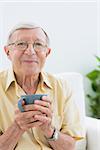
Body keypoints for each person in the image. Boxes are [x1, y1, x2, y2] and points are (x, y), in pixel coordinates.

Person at [0, 23, 85, 150]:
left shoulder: (62, 87)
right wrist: (17, 127)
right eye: (21, 44)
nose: (30, 51)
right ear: (7, 52)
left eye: (38, 44)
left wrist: (49, 129)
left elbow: (69, 147)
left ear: (47, 52)